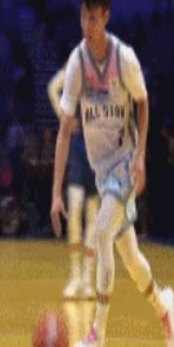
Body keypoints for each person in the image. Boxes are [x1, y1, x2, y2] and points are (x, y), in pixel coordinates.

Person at [50, 0, 174, 347]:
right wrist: (55, 192)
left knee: (101, 230)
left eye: (93, 18)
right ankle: (164, 306)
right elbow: (64, 130)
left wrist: (140, 156)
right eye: (83, 17)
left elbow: (143, 102)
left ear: (106, 17)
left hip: (124, 164)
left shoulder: (125, 59)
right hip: (101, 171)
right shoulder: (77, 63)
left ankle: (97, 337)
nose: (86, 25)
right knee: (133, 262)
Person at [48, 66, 100, 300]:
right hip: (78, 151)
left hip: (98, 153)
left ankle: (88, 281)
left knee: (93, 221)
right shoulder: (76, 66)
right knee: (75, 211)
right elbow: (53, 87)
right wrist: (63, 116)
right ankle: (75, 277)